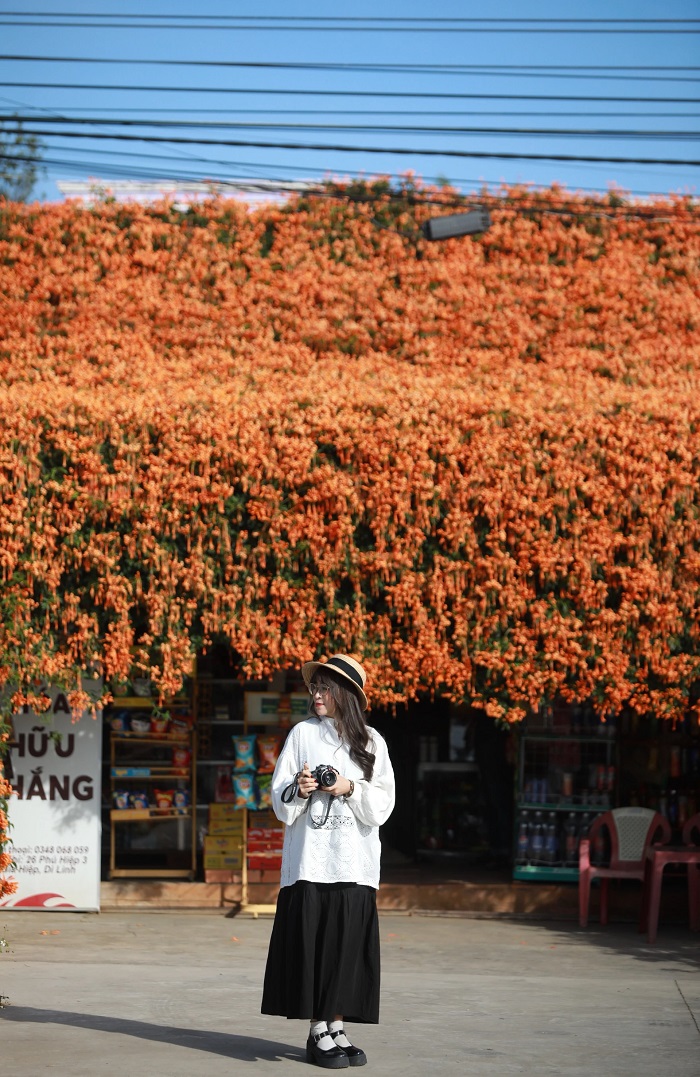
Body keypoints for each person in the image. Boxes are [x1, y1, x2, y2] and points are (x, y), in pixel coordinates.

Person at [261, 654, 395, 1069]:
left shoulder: (372, 741)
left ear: (346, 694)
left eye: (326, 688)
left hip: (354, 863)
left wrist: (348, 786)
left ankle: (336, 1026)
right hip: (310, 861)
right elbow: (279, 800)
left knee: (346, 948)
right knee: (314, 947)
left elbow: (383, 805)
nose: (317, 695)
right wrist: (300, 788)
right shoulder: (302, 734)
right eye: (315, 688)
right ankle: (318, 1028)